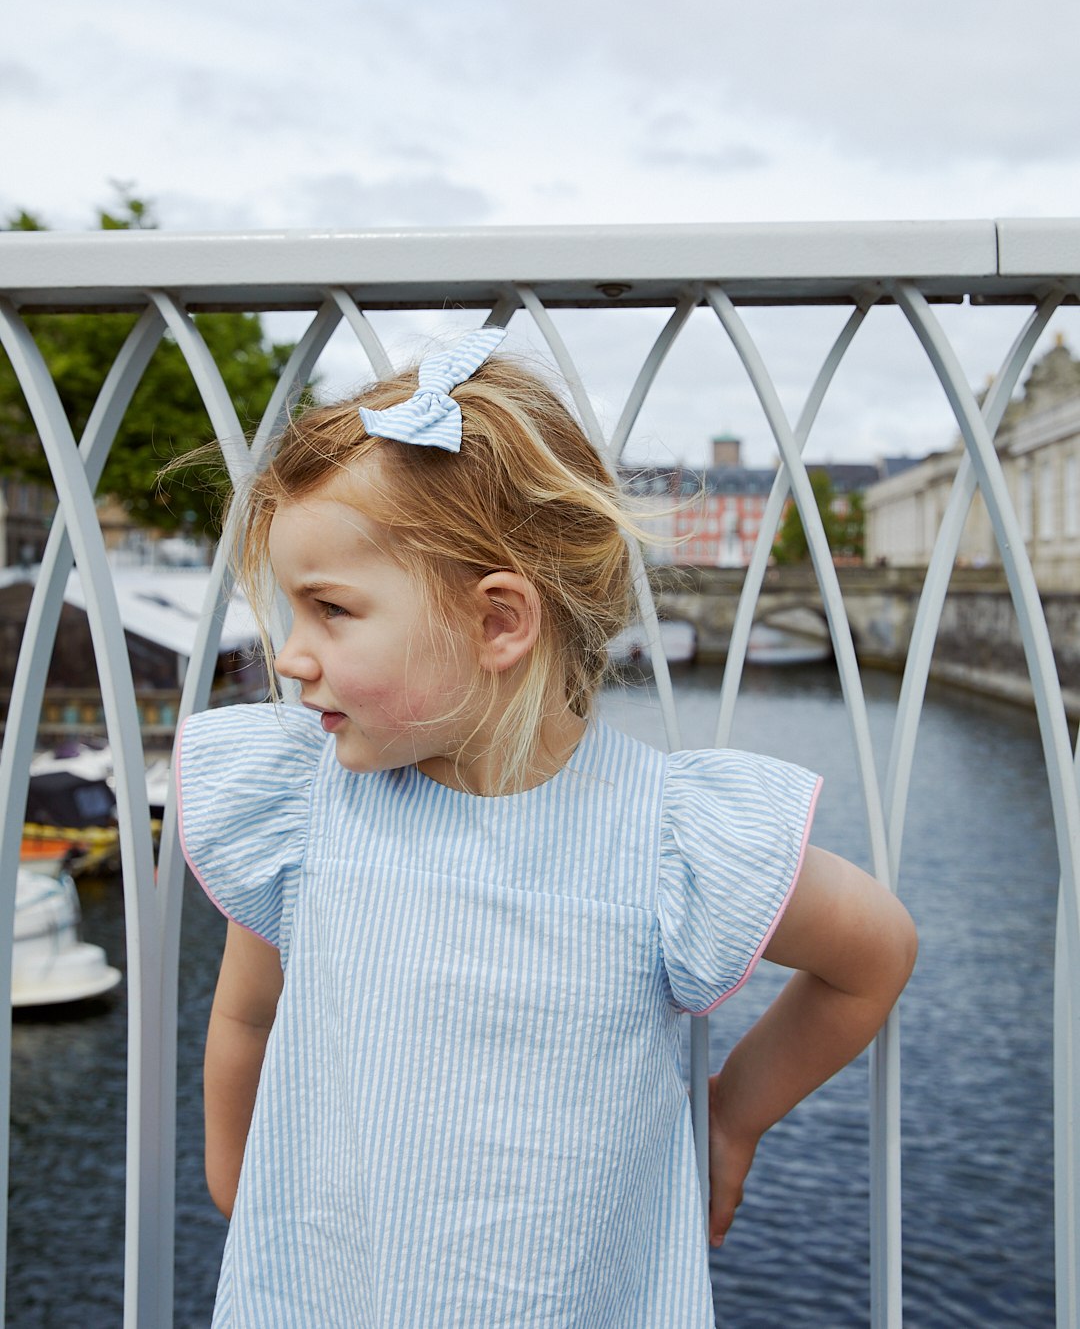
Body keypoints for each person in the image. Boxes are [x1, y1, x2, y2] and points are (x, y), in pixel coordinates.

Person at [176, 327, 917, 1328]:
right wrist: (240, 1185)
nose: (291, 656)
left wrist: (732, 1116)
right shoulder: (304, 808)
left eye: (329, 611)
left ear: (497, 623)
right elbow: (249, 1016)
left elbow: (873, 954)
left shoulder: (662, 838)